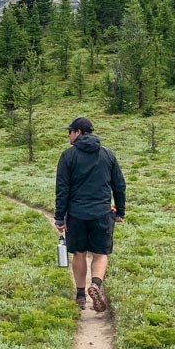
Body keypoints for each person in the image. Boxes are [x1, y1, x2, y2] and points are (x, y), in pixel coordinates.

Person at [53, 116, 126, 313]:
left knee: (79, 253)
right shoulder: (108, 154)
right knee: (101, 253)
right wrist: (120, 211)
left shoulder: (68, 156)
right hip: (102, 213)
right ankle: (96, 284)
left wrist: (60, 217)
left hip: (76, 214)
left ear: (78, 132)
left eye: (69, 131)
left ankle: (80, 295)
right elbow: (119, 184)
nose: (68, 135)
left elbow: (62, 189)